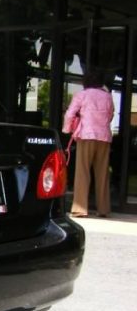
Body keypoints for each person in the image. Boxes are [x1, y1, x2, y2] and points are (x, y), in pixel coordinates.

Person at [62, 69, 115, 217]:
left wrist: (67, 130)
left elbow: (69, 114)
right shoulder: (108, 97)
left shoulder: (82, 95)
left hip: (86, 135)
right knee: (102, 173)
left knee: (83, 172)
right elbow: (111, 115)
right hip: (104, 137)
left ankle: (80, 208)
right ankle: (104, 209)